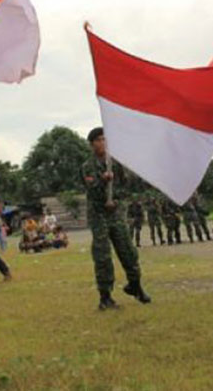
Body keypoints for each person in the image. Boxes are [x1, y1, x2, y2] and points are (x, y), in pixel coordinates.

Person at [81, 127, 150, 310]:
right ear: (92, 144)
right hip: (99, 216)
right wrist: (103, 181)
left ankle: (135, 286)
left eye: (104, 139)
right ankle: (105, 296)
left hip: (116, 214)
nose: (102, 143)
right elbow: (92, 190)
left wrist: (116, 199)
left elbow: (125, 187)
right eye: (98, 140)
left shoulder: (115, 164)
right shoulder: (88, 166)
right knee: (102, 255)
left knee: (127, 250)